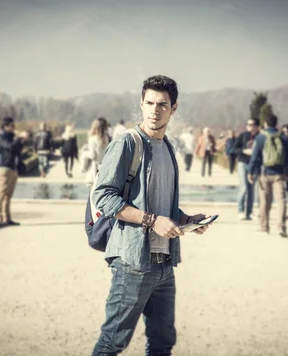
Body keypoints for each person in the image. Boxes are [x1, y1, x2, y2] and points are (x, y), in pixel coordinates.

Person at [91, 75, 212, 356]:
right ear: (141, 104)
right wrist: (152, 221)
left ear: (174, 108)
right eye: (149, 103)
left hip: (164, 265)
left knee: (162, 343)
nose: (154, 110)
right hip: (133, 262)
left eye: (162, 104)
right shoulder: (127, 144)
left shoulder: (168, 148)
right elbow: (104, 197)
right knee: (112, 343)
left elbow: (162, 205)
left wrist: (186, 220)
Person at [247, 114, 288, 237]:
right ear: (276, 124)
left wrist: (250, 171)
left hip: (264, 173)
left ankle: (264, 227)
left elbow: (255, 156)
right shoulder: (283, 137)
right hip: (279, 174)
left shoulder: (260, 137)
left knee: (264, 201)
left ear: (265, 124)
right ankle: (281, 227)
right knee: (281, 200)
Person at [0, 117, 28, 228]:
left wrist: (22, 141)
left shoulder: (12, 137)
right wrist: (18, 138)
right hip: (3, 167)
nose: (14, 128)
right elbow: (9, 147)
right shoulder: (0, 137)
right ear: (5, 126)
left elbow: (16, 150)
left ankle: (7, 218)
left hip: (13, 167)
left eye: (14, 126)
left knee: (8, 195)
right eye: (12, 126)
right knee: (1, 193)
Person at [234, 119, 260, 220]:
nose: (249, 126)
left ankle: (249, 212)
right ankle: (240, 211)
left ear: (256, 126)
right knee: (244, 187)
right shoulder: (243, 135)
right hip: (243, 163)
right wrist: (244, 151)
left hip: (254, 165)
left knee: (251, 189)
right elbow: (234, 148)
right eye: (248, 124)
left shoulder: (259, 136)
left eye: (251, 124)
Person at [85, 117, 111, 186]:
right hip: (105, 167)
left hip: (96, 168)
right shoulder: (106, 138)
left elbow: (93, 156)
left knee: (93, 193)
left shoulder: (92, 139)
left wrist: (85, 154)